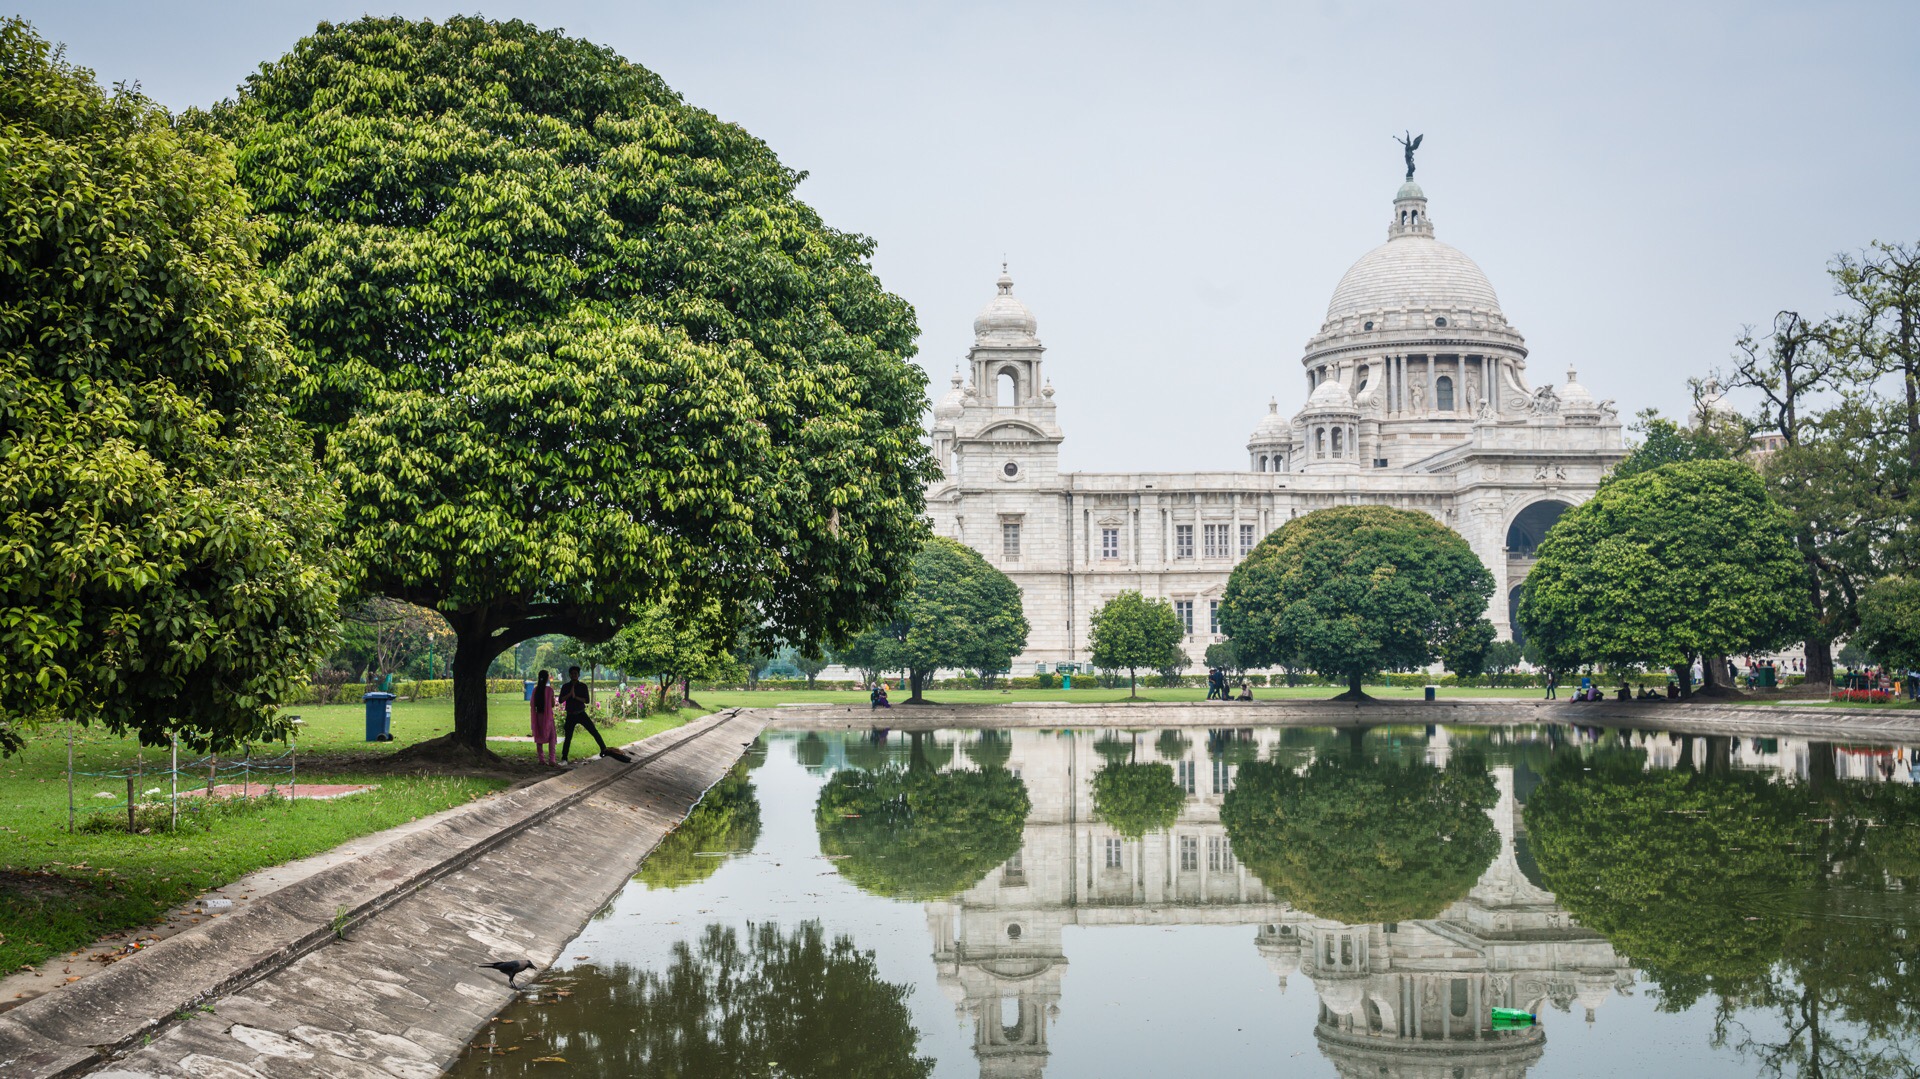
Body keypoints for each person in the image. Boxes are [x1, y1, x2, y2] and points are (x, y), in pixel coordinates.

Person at [557, 665, 630, 763]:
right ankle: (564, 758)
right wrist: (569, 695)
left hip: (581, 713)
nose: (574, 675)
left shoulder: (583, 686)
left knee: (594, 731)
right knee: (568, 737)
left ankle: (603, 749)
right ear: (570, 675)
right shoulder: (566, 686)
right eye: (572, 674)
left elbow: (587, 700)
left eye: (576, 673)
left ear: (578, 675)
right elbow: (561, 700)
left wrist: (575, 697)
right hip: (570, 714)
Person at [529, 669, 557, 765]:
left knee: (539, 737)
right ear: (547, 679)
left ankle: (541, 759)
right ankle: (552, 759)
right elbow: (552, 704)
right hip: (548, 717)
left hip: (538, 716)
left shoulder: (535, 690)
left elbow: (532, 704)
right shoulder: (549, 690)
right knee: (552, 737)